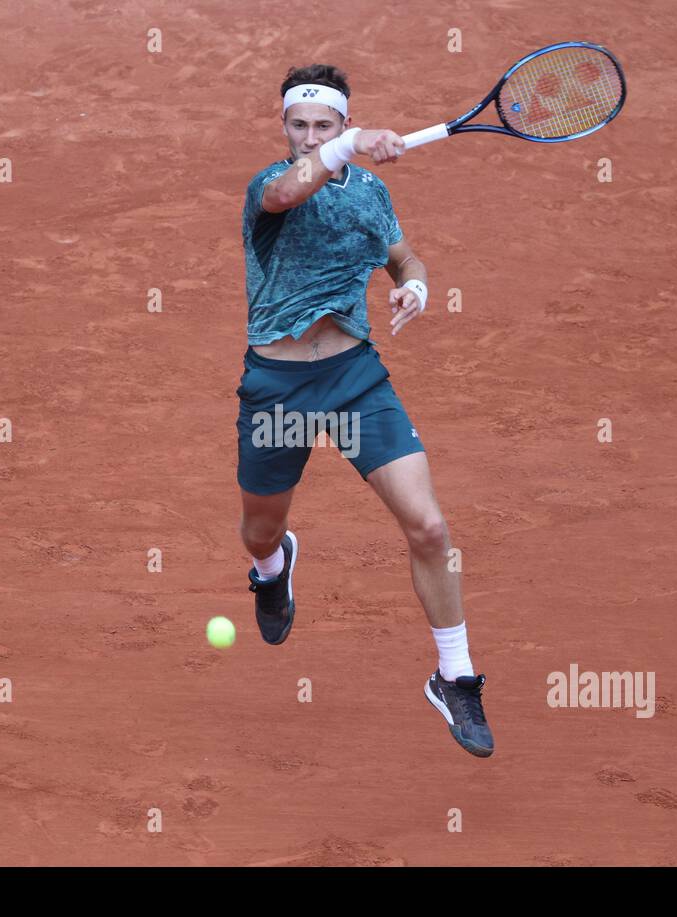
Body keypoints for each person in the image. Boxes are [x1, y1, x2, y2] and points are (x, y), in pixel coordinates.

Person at [236, 64, 495, 758]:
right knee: (258, 532)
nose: (310, 135)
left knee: (431, 528)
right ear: (284, 127)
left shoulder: (372, 195)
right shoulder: (269, 188)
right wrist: (349, 147)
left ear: (342, 122)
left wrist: (418, 285)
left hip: (354, 381)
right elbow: (296, 186)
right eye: (301, 125)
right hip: (278, 390)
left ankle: (456, 675)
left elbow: (403, 258)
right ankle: (273, 569)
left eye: (325, 125)